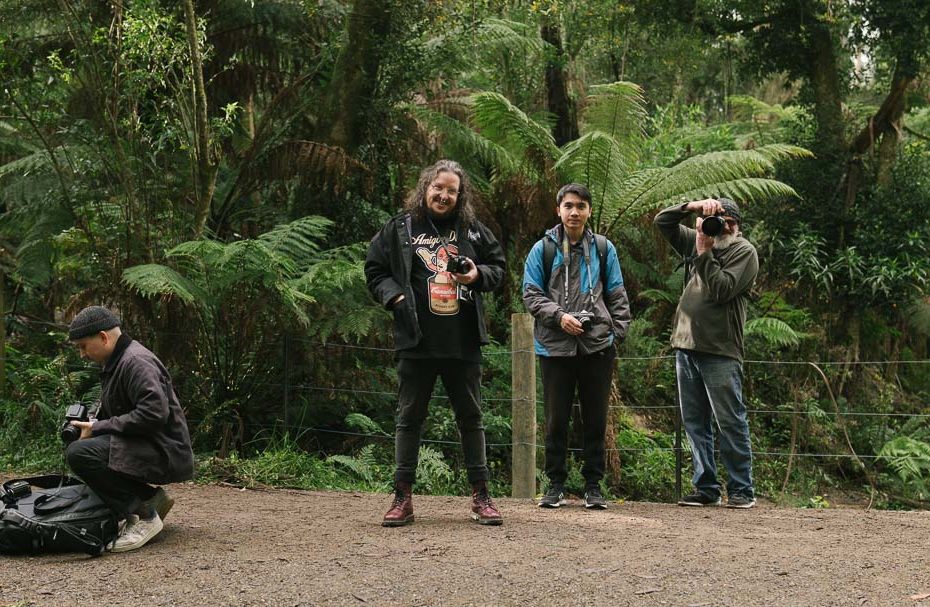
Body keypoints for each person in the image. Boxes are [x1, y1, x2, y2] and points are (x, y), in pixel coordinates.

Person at [365, 159, 507, 526]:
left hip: (463, 343)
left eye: (451, 190)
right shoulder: (400, 228)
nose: (444, 195)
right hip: (417, 341)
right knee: (409, 419)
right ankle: (402, 498)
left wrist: (477, 275)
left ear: (461, 196)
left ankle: (481, 496)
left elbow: (499, 269)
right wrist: (394, 299)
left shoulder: (473, 231)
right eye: (438, 188)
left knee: (471, 418)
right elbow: (374, 270)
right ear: (425, 186)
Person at [522, 183, 631, 509]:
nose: (574, 212)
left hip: (596, 345)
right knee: (556, 419)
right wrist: (559, 317)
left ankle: (593, 486)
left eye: (580, 206)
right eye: (568, 205)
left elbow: (616, 293)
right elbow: (531, 293)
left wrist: (616, 334)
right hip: (555, 346)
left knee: (595, 418)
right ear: (558, 210)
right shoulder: (543, 250)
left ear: (589, 211)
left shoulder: (602, 248)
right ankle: (555, 484)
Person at [654, 197, 758, 509]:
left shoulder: (744, 252)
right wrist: (692, 207)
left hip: (720, 350)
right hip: (686, 346)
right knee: (695, 423)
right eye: (712, 218)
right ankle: (706, 487)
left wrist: (704, 253)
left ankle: (741, 489)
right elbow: (662, 221)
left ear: (734, 225)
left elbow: (722, 289)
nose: (715, 225)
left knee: (729, 422)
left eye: (722, 219)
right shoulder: (696, 238)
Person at [65, 306, 195, 551]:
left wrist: (99, 427)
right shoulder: (116, 361)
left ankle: (145, 516)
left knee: (80, 453)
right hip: (148, 443)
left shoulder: (135, 362)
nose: (82, 354)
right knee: (82, 446)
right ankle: (150, 498)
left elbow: (153, 414)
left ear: (103, 337)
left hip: (164, 451)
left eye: (83, 346)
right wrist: (93, 421)